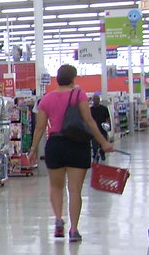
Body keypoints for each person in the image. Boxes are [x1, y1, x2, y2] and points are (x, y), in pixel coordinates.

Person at [29, 64, 114, 243]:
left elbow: (40, 127)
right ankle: (74, 230)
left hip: (55, 145)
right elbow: (89, 121)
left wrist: (33, 150)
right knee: (75, 190)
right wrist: (103, 142)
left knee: (56, 187)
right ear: (73, 78)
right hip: (77, 144)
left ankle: (59, 220)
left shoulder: (46, 99)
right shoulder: (79, 95)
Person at [89, 95, 112, 162]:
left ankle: (102, 153)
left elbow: (108, 118)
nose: (96, 100)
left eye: (97, 99)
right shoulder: (90, 110)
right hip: (94, 131)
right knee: (94, 146)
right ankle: (95, 156)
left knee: (103, 144)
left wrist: (109, 126)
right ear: (92, 100)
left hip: (103, 130)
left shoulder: (104, 109)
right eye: (94, 99)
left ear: (99, 100)